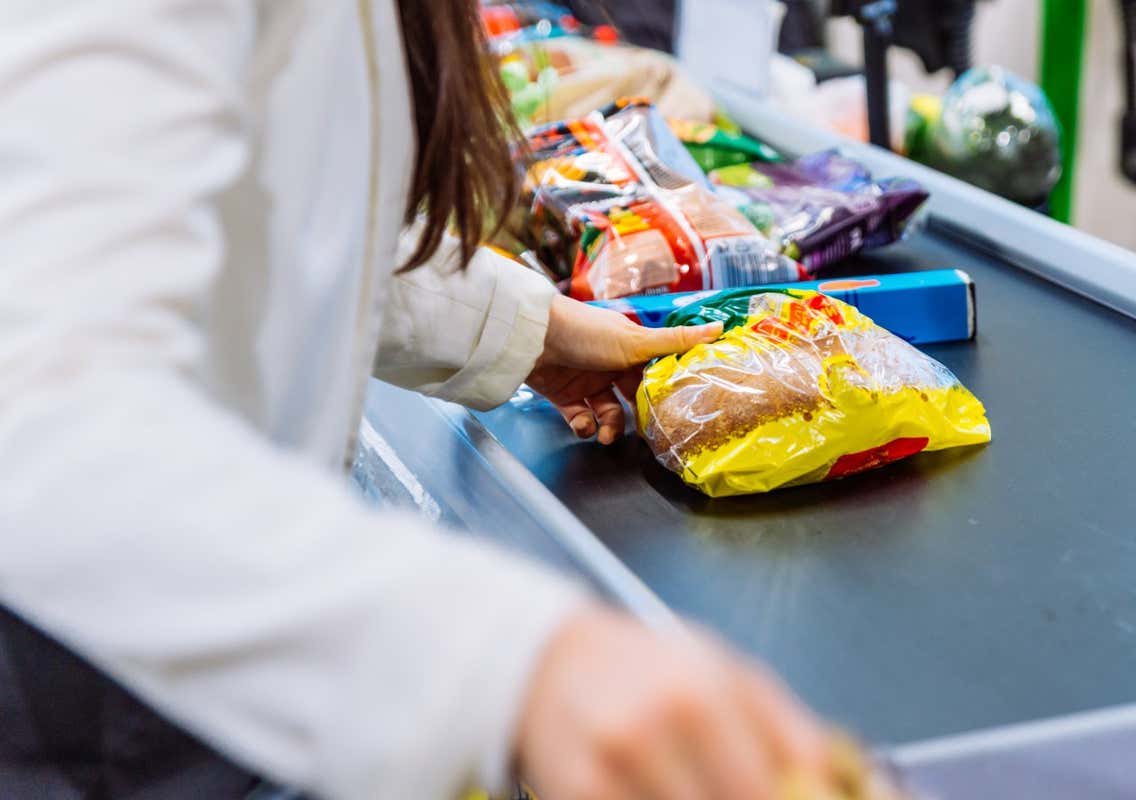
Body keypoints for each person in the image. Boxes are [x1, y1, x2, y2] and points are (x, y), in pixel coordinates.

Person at [0, 1, 834, 798]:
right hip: (94, 675)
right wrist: (518, 661)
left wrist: (522, 327)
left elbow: (270, 209)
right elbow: (40, 410)